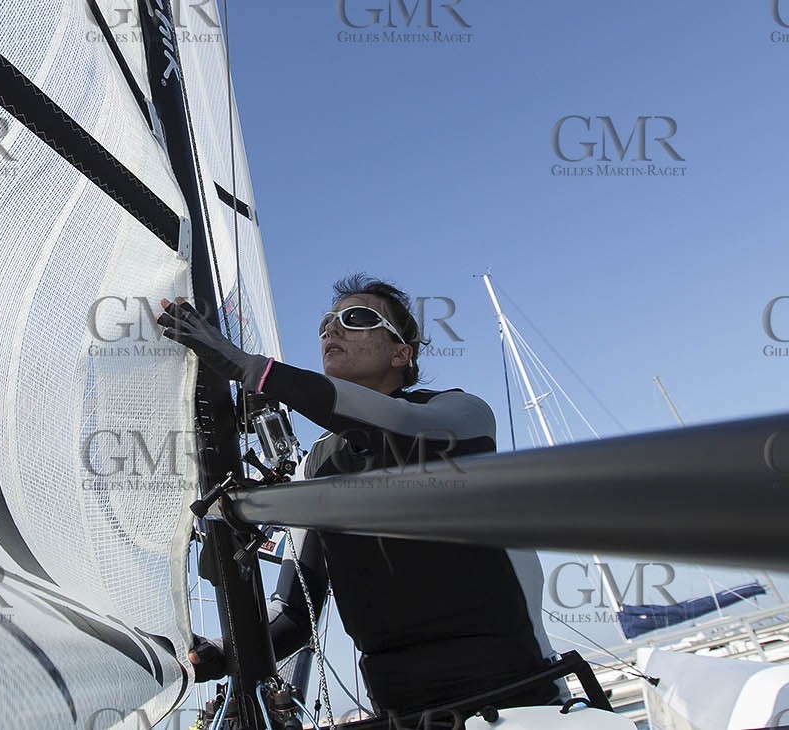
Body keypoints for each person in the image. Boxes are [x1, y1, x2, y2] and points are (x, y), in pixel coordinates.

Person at [157, 274, 567, 720]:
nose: (331, 330)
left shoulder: (462, 415)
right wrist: (218, 651)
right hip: (400, 710)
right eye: (326, 323)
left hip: (518, 695)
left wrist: (249, 368)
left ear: (400, 352)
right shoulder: (319, 464)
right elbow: (295, 613)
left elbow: (394, 426)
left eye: (355, 319)